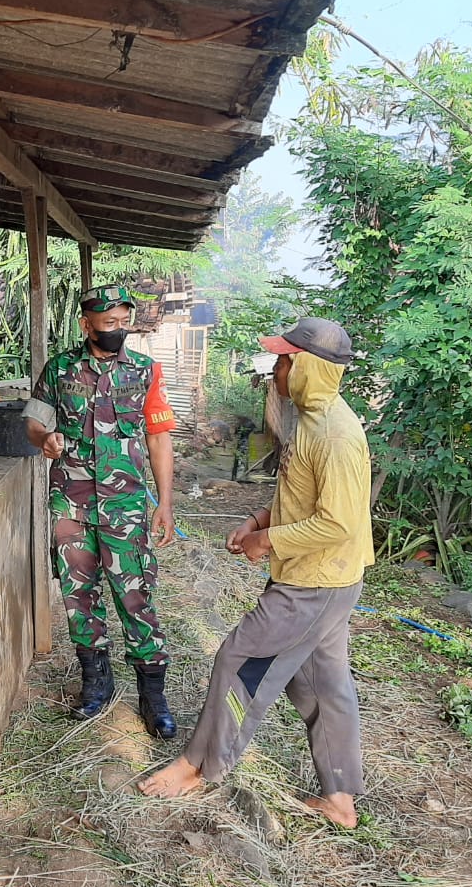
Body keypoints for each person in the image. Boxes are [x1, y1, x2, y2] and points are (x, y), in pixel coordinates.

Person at [138, 317, 374, 827]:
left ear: (308, 368)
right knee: (321, 684)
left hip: (313, 584)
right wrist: (257, 521)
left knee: (239, 659)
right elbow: (303, 498)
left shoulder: (335, 434)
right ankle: (339, 799)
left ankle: (198, 765)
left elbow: (337, 522)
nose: (276, 372)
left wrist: (266, 542)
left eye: (284, 362)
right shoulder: (313, 420)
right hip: (326, 580)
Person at [23, 285, 179, 738]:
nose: (118, 330)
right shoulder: (60, 369)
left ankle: (153, 696)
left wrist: (165, 503)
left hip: (125, 506)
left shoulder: (145, 370)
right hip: (70, 503)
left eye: (124, 322)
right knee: (78, 596)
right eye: (108, 323)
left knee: (135, 596)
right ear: (85, 324)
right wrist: (43, 438)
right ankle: (96, 682)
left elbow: (158, 438)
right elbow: (33, 420)